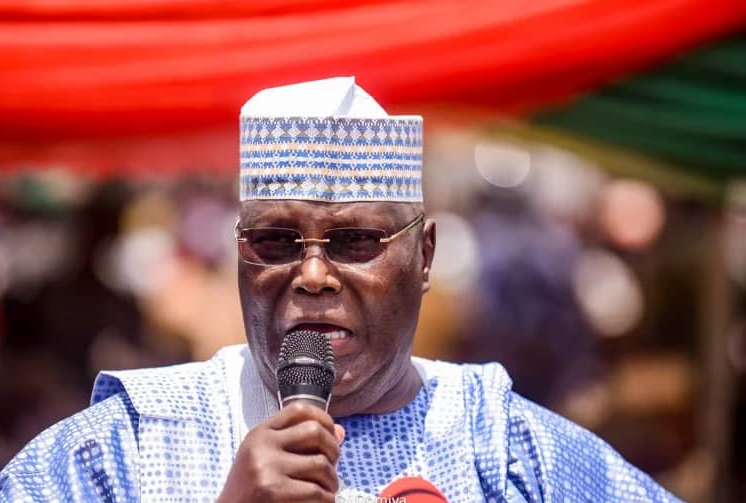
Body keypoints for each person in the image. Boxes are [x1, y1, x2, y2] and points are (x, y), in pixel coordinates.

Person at [0, 77, 684, 503]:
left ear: (423, 257)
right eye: (276, 241)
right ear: (238, 253)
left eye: (355, 242)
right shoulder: (126, 448)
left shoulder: (503, 447)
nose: (312, 275)